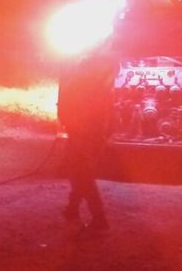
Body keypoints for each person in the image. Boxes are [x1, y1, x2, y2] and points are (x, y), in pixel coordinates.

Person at [57, 39, 119, 231]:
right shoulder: (99, 81)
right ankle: (73, 208)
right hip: (90, 133)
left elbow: (71, 103)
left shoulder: (84, 80)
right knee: (78, 172)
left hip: (83, 134)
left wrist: (69, 121)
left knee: (81, 174)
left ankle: (99, 219)